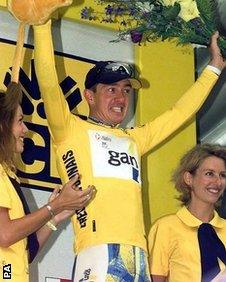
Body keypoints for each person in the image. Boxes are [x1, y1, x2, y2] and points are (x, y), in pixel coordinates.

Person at [33, 18, 226, 281]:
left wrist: (213, 68)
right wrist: (42, 24)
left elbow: (180, 112)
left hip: (138, 255)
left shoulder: (134, 138)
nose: (120, 98)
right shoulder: (70, 130)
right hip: (98, 250)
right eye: (110, 89)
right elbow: (47, 83)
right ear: (89, 96)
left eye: (125, 91)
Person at [0, 82, 94, 282]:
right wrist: (55, 205)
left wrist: (55, 217)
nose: (25, 129)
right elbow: (5, 235)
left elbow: (27, 251)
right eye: (19, 121)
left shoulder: (8, 174)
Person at [148, 143, 226, 282]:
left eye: (222, 175)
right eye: (209, 174)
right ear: (189, 178)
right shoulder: (165, 228)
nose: (218, 182)